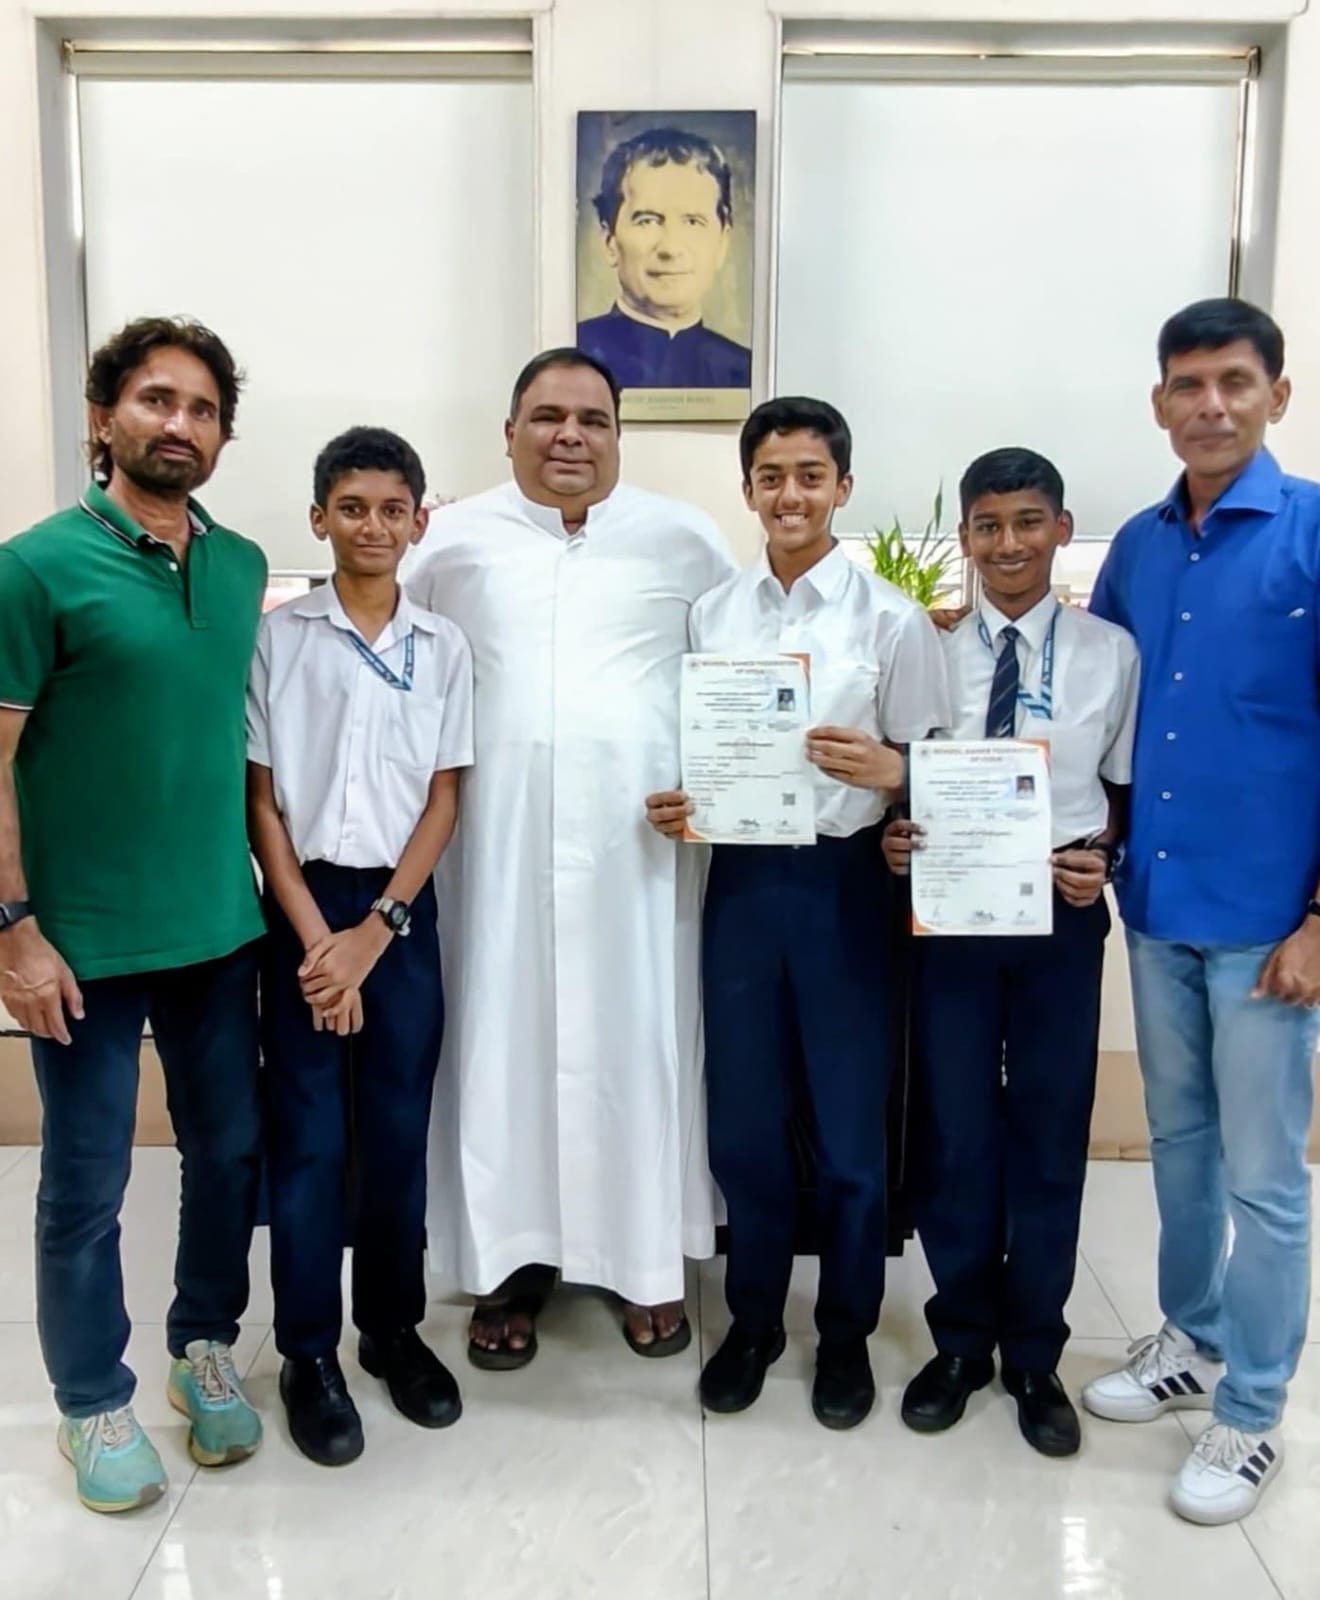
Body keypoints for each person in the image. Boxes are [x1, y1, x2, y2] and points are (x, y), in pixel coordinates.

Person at [408, 349, 734, 1367]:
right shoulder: (450, 542)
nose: (570, 436)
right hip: (492, 856)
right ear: (509, 431)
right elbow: (395, 663)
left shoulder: (685, 539)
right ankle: (508, 1265)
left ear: (619, 435)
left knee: (640, 1044)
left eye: (593, 419)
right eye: (547, 416)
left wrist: (720, 792)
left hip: (640, 857)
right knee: (499, 1045)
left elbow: (739, 683)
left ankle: (643, 1259)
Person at [0, 317, 266, 1513]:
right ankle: (91, 1398)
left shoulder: (241, 565)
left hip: (219, 926)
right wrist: (13, 928)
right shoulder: (34, 568)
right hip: (83, 942)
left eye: (203, 408)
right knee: (87, 1178)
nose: (181, 425)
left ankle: (202, 1342)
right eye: (157, 399)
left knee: (228, 1155)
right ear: (104, 417)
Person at [646, 396, 949, 1428]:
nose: (790, 495)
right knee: (745, 1122)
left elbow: (935, 769)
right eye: (771, 476)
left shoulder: (891, 620)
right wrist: (684, 803)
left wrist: (895, 771)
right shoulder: (714, 614)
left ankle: (847, 1330)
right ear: (748, 490)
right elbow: (702, 749)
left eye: (810, 476)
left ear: (842, 488)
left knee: (852, 1130)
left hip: (844, 886)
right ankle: (754, 1320)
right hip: (739, 884)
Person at [1082, 298, 1320, 1525]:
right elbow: (1099, 709)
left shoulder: (1312, 532)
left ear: (1277, 393)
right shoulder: (1137, 544)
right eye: (1188, 384)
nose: (1211, 405)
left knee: (1268, 1177)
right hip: (1159, 898)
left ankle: (1254, 1408)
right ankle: (1194, 1332)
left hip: (1273, 919)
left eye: (1234, 381)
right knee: (1181, 1141)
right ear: (1159, 402)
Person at [884, 448, 1139, 1458]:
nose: (1008, 544)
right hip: (951, 916)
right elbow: (903, 778)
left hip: (1058, 918)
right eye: (987, 525)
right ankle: (959, 1341)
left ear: (1062, 530)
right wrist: (895, 837)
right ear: (965, 537)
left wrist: (1103, 858)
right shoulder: (927, 645)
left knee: (1047, 1127)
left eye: (1029, 522)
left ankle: (1034, 1352)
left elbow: (1119, 793)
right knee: (954, 1129)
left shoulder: (1111, 653)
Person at [247, 426, 472, 1467]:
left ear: (418, 522)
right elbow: (261, 805)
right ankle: (308, 1351)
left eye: (391, 509)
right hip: (302, 910)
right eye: (351, 508)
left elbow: (444, 799)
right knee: (307, 1145)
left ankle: (390, 1329)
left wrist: (374, 936)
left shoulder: (444, 646)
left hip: (399, 913)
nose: (372, 526)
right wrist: (319, 949)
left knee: (394, 1136)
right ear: (318, 518)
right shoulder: (279, 639)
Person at [577, 127, 751, 391]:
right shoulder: (573, 357)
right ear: (609, 240)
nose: (670, 248)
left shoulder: (745, 369)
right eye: (647, 221)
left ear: (722, 241)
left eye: (692, 222)